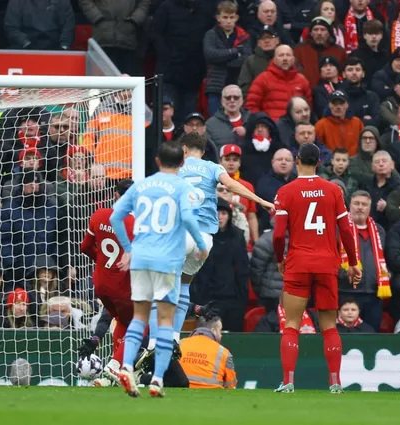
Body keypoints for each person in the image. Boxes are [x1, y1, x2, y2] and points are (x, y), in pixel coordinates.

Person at [149, 132, 273, 346]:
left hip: (180, 234)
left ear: (184, 150)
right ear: (204, 152)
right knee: (185, 286)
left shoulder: (175, 168)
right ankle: (175, 339)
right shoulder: (213, 167)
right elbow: (232, 186)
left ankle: (154, 343)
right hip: (204, 240)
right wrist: (259, 200)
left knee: (160, 287)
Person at [109, 142, 209, 398]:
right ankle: (157, 379)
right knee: (164, 320)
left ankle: (127, 366)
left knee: (139, 317)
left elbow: (115, 217)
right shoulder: (182, 186)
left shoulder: (141, 185)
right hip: (166, 260)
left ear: (156, 161)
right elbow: (187, 218)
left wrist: (128, 248)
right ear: (182, 163)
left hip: (141, 258)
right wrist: (200, 244)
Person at [272, 142, 361, 394]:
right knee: (329, 326)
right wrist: (353, 263)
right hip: (326, 264)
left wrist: (280, 258)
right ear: (319, 163)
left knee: (291, 323)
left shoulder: (285, 192)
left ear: (297, 160)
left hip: (298, 263)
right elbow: (345, 230)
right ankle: (335, 382)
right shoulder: (333, 191)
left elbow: (278, 235)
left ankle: (288, 381)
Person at [79, 179, 135, 385]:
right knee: (141, 322)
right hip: (122, 285)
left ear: (115, 195)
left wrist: (102, 263)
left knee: (121, 320)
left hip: (101, 285)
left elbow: (85, 247)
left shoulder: (99, 215)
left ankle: (111, 377)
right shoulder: (135, 225)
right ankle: (114, 365)